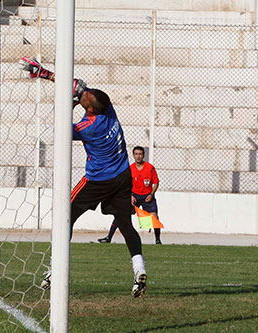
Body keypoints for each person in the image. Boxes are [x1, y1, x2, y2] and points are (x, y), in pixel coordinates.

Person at [19, 56, 148, 297]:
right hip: (122, 177)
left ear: (88, 109)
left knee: (65, 215)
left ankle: (54, 270)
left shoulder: (86, 128)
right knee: (125, 224)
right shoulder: (108, 110)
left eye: (85, 98)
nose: (83, 94)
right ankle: (139, 269)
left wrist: (68, 101)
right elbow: (78, 87)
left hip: (98, 180)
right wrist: (45, 73)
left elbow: (62, 126)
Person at [98, 146, 162, 244]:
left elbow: (156, 183)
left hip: (147, 196)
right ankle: (108, 237)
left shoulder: (150, 168)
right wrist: (131, 195)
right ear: (133, 155)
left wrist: (151, 194)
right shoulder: (130, 168)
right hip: (134, 196)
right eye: (136, 154)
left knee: (154, 217)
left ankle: (157, 240)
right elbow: (126, 184)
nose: (138, 156)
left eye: (140, 154)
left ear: (143, 155)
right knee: (120, 214)